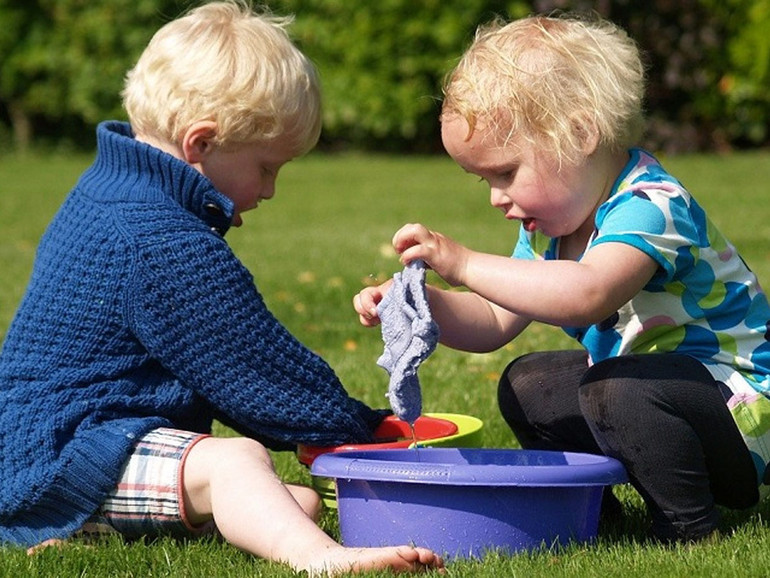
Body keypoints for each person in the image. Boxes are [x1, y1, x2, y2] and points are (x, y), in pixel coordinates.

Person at [0, 2, 444, 574]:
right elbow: (256, 368)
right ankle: (325, 561)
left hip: (55, 447)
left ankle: (90, 534)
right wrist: (363, 428)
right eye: (266, 167)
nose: (271, 189)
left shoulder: (115, 192)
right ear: (201, 144)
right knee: (238, 464)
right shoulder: (156, 237)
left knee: (294, 502)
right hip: (60, 456)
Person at [354, 12, 770, 544]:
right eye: (483, 179)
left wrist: (463, 263)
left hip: (739, 413)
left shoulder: (651, 204)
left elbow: (587, 294)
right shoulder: (552, 230)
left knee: (613, 390)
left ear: (579, 135)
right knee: (529, 383)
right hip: (652, 397)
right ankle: (594, 514)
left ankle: (688, 528)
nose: (495, 198)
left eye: (505, 173)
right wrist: (417, 302)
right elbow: (491, 320)